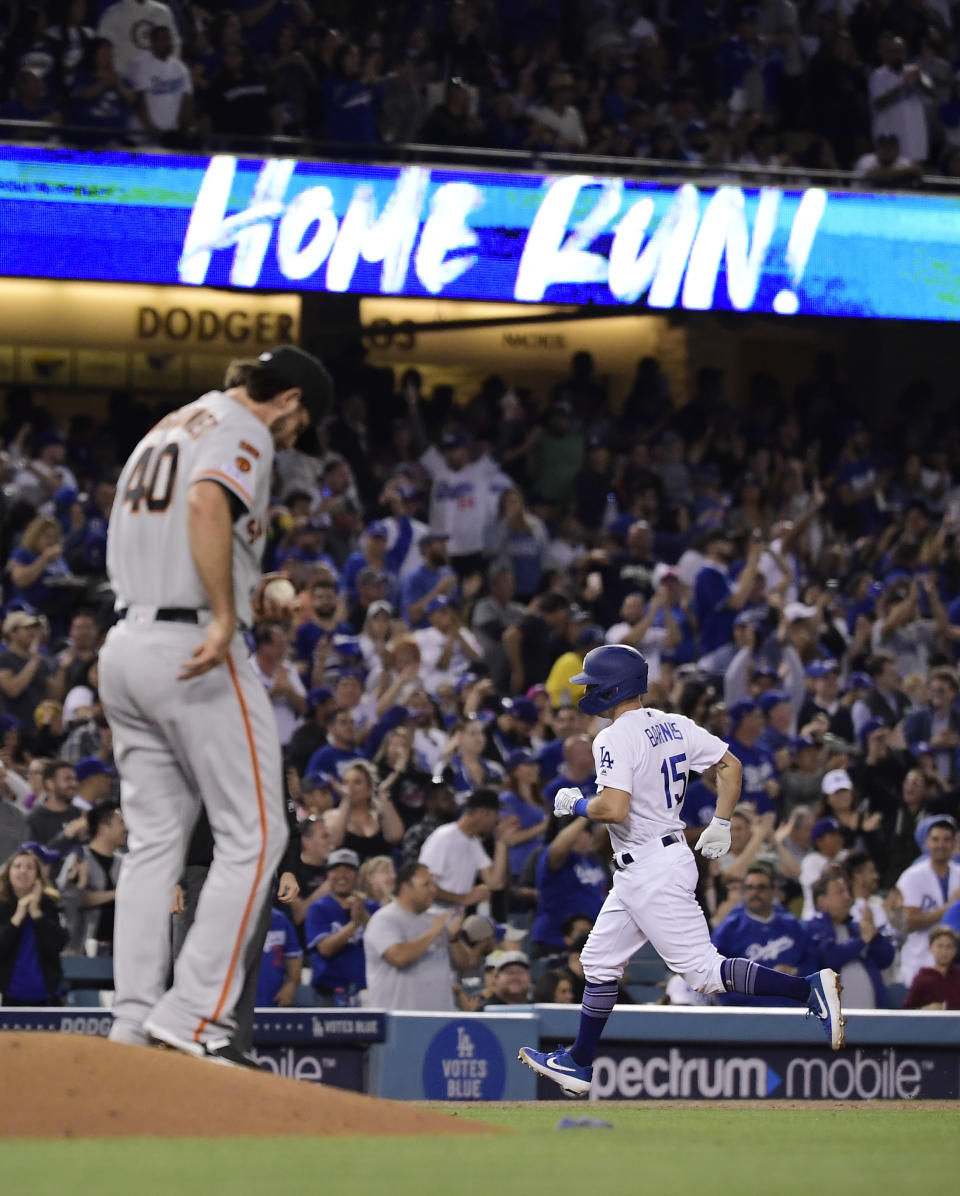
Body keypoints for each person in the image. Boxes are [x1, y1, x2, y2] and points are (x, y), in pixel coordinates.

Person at [98, 345, 331, 1063]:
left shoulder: (173, 423)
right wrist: (227, 615)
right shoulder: (245, 426)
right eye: (303, 419)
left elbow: (180, 523)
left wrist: (241, 588)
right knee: (257, 837)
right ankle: (194, 1015)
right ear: (288, 399)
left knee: (154, 844)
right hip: (192, 648)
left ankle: (132, 1023)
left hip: (127, 641)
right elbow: (204, 500)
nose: (297, 436)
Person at [518, 644, 845, 1098]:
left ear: (614, 685)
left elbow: (613, 808)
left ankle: (808, 989)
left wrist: (575, 802)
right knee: (598, 962)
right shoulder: (674, 724)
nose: (587, 690)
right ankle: (579, 1062)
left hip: (651, 865)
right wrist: (722, 821)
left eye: (593, 682)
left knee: (704, 972)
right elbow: (731, 765)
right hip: (647, 865)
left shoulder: (612, 737)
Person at [363, 862, 466, 1011]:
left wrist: (454, 938)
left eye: (433, 885)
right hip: (399, 1020)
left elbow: (464, 965)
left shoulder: (436, 918)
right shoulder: (384, 919)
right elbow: (398, 957)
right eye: (426, 885)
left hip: (438, 1020)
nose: (433, 890)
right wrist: (433, 932)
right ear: (405, 887)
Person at [711, 865, 817, 1006]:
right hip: (747, 1013)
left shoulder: (792, 925)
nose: (755, 893)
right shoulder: (729, 929)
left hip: (792, 1012)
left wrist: (796, 971)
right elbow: (714, 973)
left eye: (761, 887)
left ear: (773, 891)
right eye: (749, 888)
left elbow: (815, 964)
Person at [804, 872, 895, 1010]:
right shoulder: (811, 928)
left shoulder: (857, 929)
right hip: (834, 1021)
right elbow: (828, 958)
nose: (848, 897)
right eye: (840, 893)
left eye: (847, 891)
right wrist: (862, 941)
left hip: (872, 1014)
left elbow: (886, 958)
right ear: (822, 901)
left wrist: (874, 935)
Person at [304, 848, 377, 1005]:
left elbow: (385, 942)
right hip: (328, 995)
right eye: (336, 870)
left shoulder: (373, 908)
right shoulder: (318, 909)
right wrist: (354, 924)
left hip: (367, 992)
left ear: (357, 876)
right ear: (328, 875)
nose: (342, 876)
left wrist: (364, 915)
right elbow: (325, 949)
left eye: (348, 870)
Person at [418, 788, 512, 908]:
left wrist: (501, 842)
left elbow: (495, 883)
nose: (497, 820)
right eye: (495, 814)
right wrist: (463, 899)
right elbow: (423, 884)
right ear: (483, 813)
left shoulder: (473, 842)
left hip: (452, 919)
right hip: (430, 918)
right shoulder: (444, 836)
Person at [893, 818, 960, 985]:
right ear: (926, 842)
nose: (941, 845)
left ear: (953, 843)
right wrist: (949, 907)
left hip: (954, 964)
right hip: (920, 960)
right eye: (935, 839)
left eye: (946, 840)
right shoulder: (912, 876)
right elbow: (909, 922)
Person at [0, 848, 67, 1005]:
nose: (23, 871)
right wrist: (17, 917)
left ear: (37, 877)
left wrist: (36, 912)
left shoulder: (50, 905)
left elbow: (58, 944)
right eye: (17, 866)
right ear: (8, 873)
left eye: (30, 867)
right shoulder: (1, 907)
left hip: (48, 996)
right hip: (8, 997)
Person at [57, 801, 125, 955]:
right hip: (83, 948)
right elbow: (68, 900)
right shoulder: (79, 858)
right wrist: (116, 894)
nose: (126, 828)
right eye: (120, 822)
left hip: (119, 949)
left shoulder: (125, 863)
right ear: (103, 826)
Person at [254, 907, 302, 1008]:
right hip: (239, 1001)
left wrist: (291, 984)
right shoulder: (234, 919)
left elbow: (294, 956)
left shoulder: (280, 919)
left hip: (274, 998)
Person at [903, 925, 960, 1010]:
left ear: (955, 950)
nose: (944, 951)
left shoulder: (957, 977)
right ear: (930, 948)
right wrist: (925, 1009)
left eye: (948, 947)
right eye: (940, 946)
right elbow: (907, 1012)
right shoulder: (921, 979)